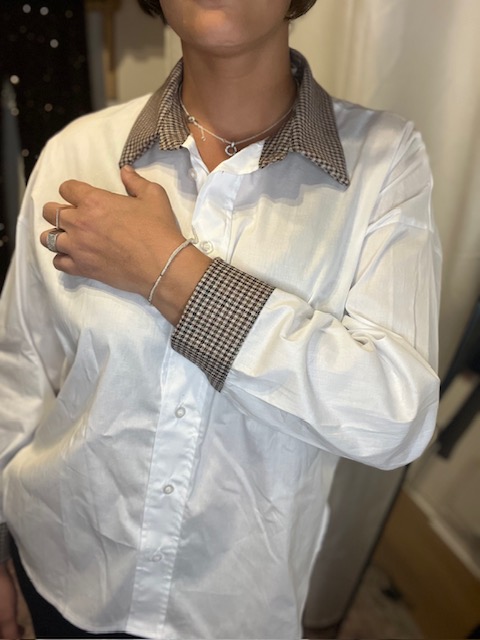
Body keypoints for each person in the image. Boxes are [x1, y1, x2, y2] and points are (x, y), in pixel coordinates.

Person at [0, 0, 441, 638]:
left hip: (233, 608)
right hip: (64, 567)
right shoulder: (80, 151)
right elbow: (16, 368)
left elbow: (393, 417)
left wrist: (170, 272)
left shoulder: (384, 164)